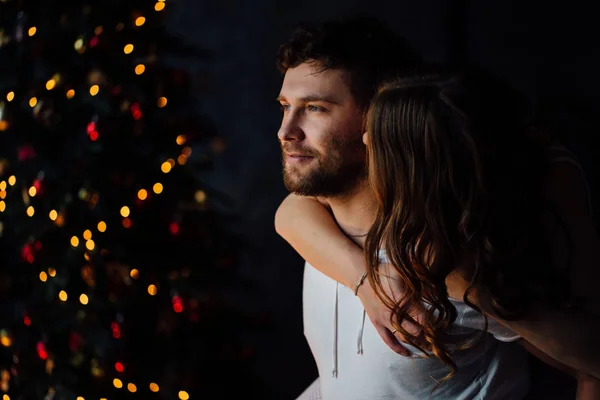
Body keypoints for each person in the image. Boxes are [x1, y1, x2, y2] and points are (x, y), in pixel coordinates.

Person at [274, 16, 600, 400]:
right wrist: (366, 280)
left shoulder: (450, 257)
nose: (285, 131)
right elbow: (290, 212)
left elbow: (589, 365)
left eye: (315, 108)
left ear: (380, 119)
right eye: (284, 106)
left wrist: (468, 286)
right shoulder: (321, 218)